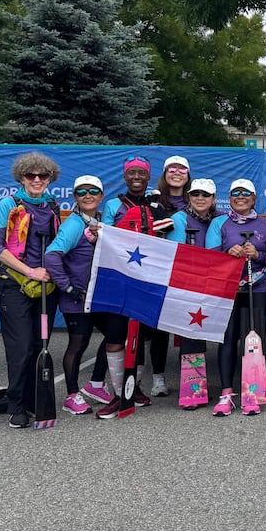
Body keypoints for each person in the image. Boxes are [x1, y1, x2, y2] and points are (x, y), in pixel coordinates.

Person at [94, 155, 176, 418]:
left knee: (141, 335)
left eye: (142, 172)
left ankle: (135, 387)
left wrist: (157, 209)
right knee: (117, 334)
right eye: (132, 173)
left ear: (149, 176)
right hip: (120, 277)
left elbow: (167, 233)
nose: (137, 177)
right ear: (125, 176)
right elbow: (105, 236)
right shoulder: (113, 205)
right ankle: (119, 393)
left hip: (148, 279)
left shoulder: (157, 202)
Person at [0, 152, 61, 429]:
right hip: (15, 285)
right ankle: (16, 405)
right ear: (21, 177)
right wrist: (29, 271)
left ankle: (34, 400)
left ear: (49, 178)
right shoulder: (9, 204)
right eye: (31, 175)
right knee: (19, 348)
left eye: (43, 176)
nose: (37, 180)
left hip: (45, 286)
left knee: (37, 345)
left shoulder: (51, 205)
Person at [206, 178, 266, 416]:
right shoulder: (220, 223)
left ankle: (252, 390)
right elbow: (209, 256)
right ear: (229, 198)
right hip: (228, 288)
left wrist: (258, 254)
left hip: (258, 286)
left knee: (254, 338)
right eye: (235, 193)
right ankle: (226, 393)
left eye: (245, 193)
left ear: (254, 198)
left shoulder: (265, 225)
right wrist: (228, 253)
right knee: (228, 337)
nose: (240, 196)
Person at [44, 176, 107, 416]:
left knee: (114, 336)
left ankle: (96, 385)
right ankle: (72, 395)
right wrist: (67, 287)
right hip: (77, 297)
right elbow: (52, 255)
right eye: (82, 192)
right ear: (75, 197)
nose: (88, 195)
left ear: (101, 196)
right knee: (78, 344)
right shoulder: (74, 224)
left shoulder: (99, 221)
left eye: (93, 191)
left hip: (97, 296)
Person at [144, 155, 192, 397]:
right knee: (159, 329)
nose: (177, 172)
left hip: (189, 271)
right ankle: (158, 378)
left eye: (182, 169)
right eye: (171, 168)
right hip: (161, 269)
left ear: (188, 174)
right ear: (164, 173)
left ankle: (190, 377)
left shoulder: (196, 198)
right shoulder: (153, 199)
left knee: (187, 326)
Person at [170, 178, 220, 409]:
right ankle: (193, 390)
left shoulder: (219, 221)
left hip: (214, 284)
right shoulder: (179, 219)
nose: (200, 198)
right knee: (192, 333)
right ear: (189, 196)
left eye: (205, 194)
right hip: (189, 284)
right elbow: (176, 254)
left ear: (213, 199)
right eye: (195, 194)